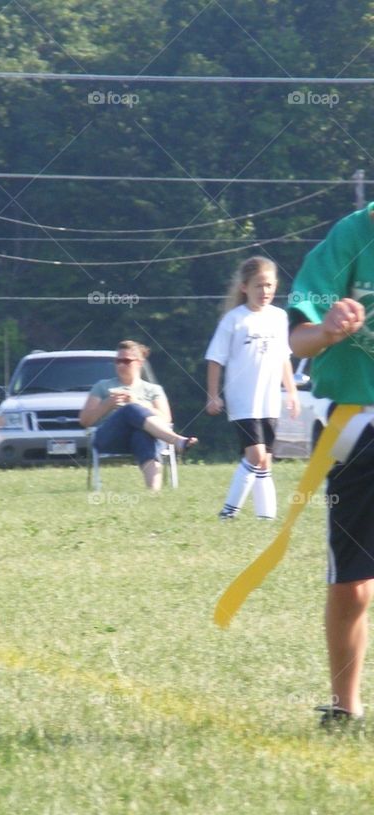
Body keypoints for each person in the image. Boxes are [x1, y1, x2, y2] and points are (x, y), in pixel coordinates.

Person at [288, 203, 374, 728]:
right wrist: (328, 330)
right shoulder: (352, 235)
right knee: (353, 583)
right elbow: (298, 339)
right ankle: (345, 709)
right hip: (353, 423)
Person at [204, 256, 299, 520]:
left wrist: (291, 391)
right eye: (259, 285)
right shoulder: (234, 320)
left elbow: (283, 358)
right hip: (243, 400)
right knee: (256, 455)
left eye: (269, 285)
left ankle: (265, 518)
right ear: (245, 287)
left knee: (265, 458)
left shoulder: (279, 317)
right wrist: (212, 395)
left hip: (269, 400)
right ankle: (228, 512)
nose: (264, 291)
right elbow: (214, 359)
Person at [79, 340, 196, 490]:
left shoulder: (153, 390)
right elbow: (85, 420)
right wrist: (107, 404)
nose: (121, 365)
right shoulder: (102, 386)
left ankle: (153, 493)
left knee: (144, 435)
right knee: (129, 410)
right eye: (118, 361)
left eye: (126, 361)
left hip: (142, 437)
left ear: (140, 363)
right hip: (111, 438)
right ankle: (177, 441)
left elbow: (166, 419)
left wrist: (139, 403)